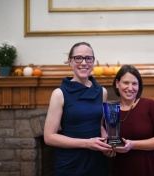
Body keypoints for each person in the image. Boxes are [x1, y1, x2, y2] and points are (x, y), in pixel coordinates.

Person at [44, 42, 112, 176]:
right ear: (70, 61)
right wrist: (87, 143)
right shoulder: (59, 94)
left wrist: (109, 143)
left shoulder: (102, 92)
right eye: (78, 58)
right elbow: (49, 137)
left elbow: (100, 126)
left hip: (97, 162)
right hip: (70, 164)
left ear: (93, 61)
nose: (84, 62)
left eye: (88, 58)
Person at [111, 64, 154, 176]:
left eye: (134, 84)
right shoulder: (112, 110)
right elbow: (111, 141)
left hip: (150, 169)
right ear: (117, 84)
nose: (130, 88)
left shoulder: (150, 105)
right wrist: (109, 150)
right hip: (122, 169)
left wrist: (132, 144)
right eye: (126, 83)